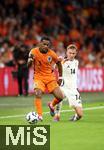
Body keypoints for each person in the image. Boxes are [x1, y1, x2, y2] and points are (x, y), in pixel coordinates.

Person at [27, 36, 64, 121]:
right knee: (38, 93)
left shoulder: (52, 54)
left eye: (47, 45)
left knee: (60, 97)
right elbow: (28, 66)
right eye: (44, 44)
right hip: (38, 77)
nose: (46, 46)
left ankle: (51, 105)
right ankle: (40, 115)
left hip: (50, 77)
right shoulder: (33, 52)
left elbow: (59, 64)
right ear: (40, 43)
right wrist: (30, 61)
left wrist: (60, 77)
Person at [53, 44, 83, 122]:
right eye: (70, 53)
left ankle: (75, 117)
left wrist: (62, 61)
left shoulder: (76, 62)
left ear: (76, 53)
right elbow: (55, 68)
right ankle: (57, 115)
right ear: (66, 52)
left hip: (73, 90)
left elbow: (70, 63)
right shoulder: (62, 62)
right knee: (59, 97)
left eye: (73, 53)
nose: (71, 55)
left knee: (80, 115)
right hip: (64, 87)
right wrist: (58, 61)